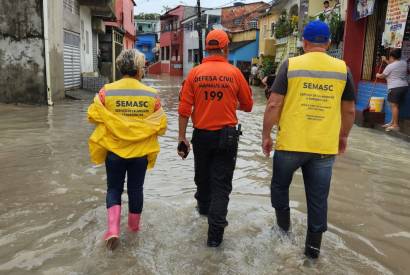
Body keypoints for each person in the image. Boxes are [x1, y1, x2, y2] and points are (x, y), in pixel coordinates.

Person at [261, 20, 356, 259]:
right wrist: (343, 136)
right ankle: (312, 253)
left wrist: (266, 135)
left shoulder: (290, 65)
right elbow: (349, 111)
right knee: (317, 199)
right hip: (324, 147)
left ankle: (283, 232)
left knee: (279, 188)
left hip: (290, 145)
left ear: (304, 42)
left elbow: (273, 103)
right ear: (329, 43)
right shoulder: (343, 69)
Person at [178, 29, 253, 247]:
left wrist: (182, 138)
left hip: (201, 137)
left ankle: (202, 215)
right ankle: (214, 239)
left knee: (202, 180)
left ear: (207, 49)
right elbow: (248, 106)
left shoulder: (194, 74)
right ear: (226, 48)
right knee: (221, 186)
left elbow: (184, 109)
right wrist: (230, 102)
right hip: (227, 137)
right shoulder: (235, 73)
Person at [87, 49, 167, 250]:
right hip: (139, 154)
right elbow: (162, 124)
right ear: (139, 69)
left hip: (114, 152)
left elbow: (93, 115)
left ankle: (113, 230)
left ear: (120, 67)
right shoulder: (151, 95)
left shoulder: (107, 91)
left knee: (113, 189)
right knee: (135, 189)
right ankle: (133, 229)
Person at [376, 48, 408, 132]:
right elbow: (394, 65)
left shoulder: (390, 66)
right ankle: (392, 122)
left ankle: (395, 125)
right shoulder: (403, 63)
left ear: (391, 56)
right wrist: (386, 60)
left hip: (395, 87)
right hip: (404, 86)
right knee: (393, 105)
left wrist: (378, 75)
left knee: (394, 106)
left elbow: (383, 75)